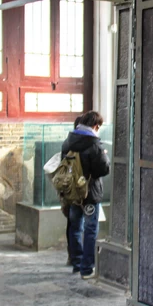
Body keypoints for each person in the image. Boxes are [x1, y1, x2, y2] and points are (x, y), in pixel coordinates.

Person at [61, 110, 110, 279]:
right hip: (90, 194)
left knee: (75, 227)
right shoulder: (94, 144)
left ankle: (76, 262)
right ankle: (87, 268)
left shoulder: (69, 141)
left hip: (73, 192)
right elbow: (103, 169)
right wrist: (104, 156)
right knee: (90, 230)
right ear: (96, 126)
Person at [65, 115, 82, 269]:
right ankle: (78, 259)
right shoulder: (81, 144)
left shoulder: (68, 142)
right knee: (77, 225)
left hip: (69, 190)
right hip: (79, 191)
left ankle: (73, 256)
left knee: (72, 224)